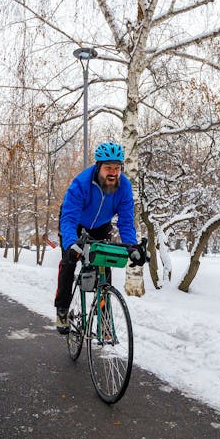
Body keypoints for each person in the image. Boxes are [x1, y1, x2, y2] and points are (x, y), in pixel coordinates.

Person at [54, 141, 146, 334]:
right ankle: (62, 310)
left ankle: (104, 318)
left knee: (105, 266)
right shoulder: (82, 183)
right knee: (69, 263)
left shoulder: (124, 187)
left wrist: (132, 247)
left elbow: (126, 222)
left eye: (117, 168)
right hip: (75, 224)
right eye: (108, 168)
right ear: (98, 167)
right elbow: (69, 218)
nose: (113, 173)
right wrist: (71, 244)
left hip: (101, 226)